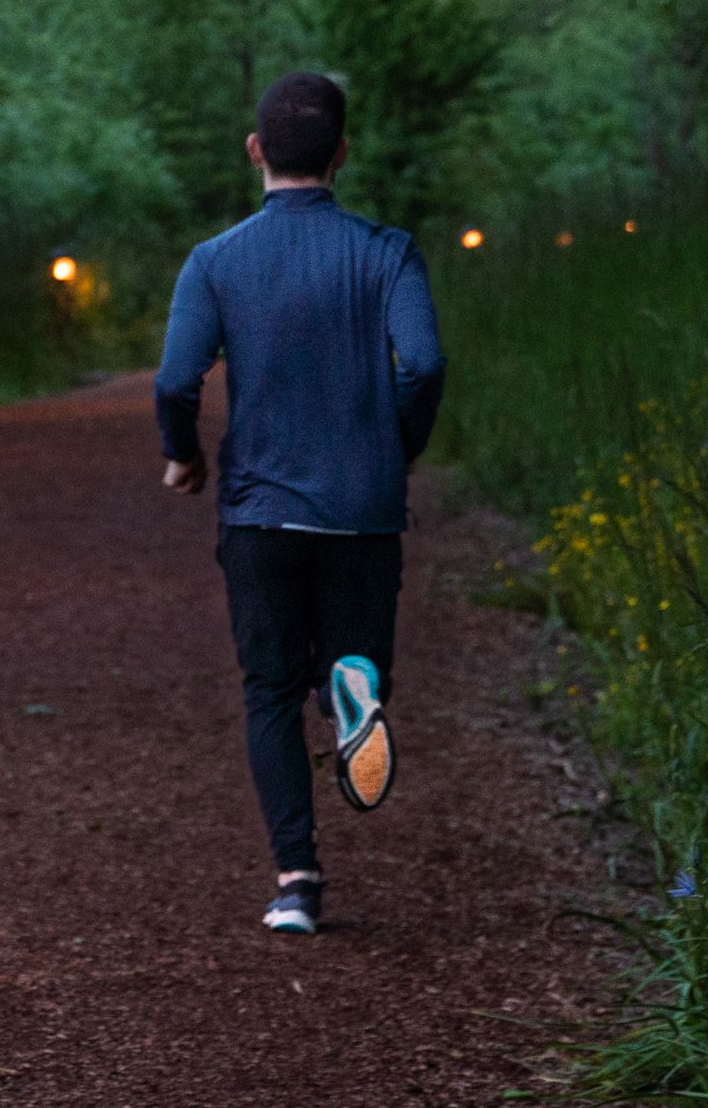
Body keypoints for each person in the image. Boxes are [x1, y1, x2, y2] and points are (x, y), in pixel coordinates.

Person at [154, 72, 447, 937]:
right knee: (351, 663)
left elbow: (176, 381)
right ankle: (351, 685)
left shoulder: (216, 261)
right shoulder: (388, 252)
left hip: (262, 509)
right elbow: (424, 365)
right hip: (363, 504)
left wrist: (182, 456)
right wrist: (399, 446)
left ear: (255, 153)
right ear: (342, 154)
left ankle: (296, 881)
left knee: (268, 689)